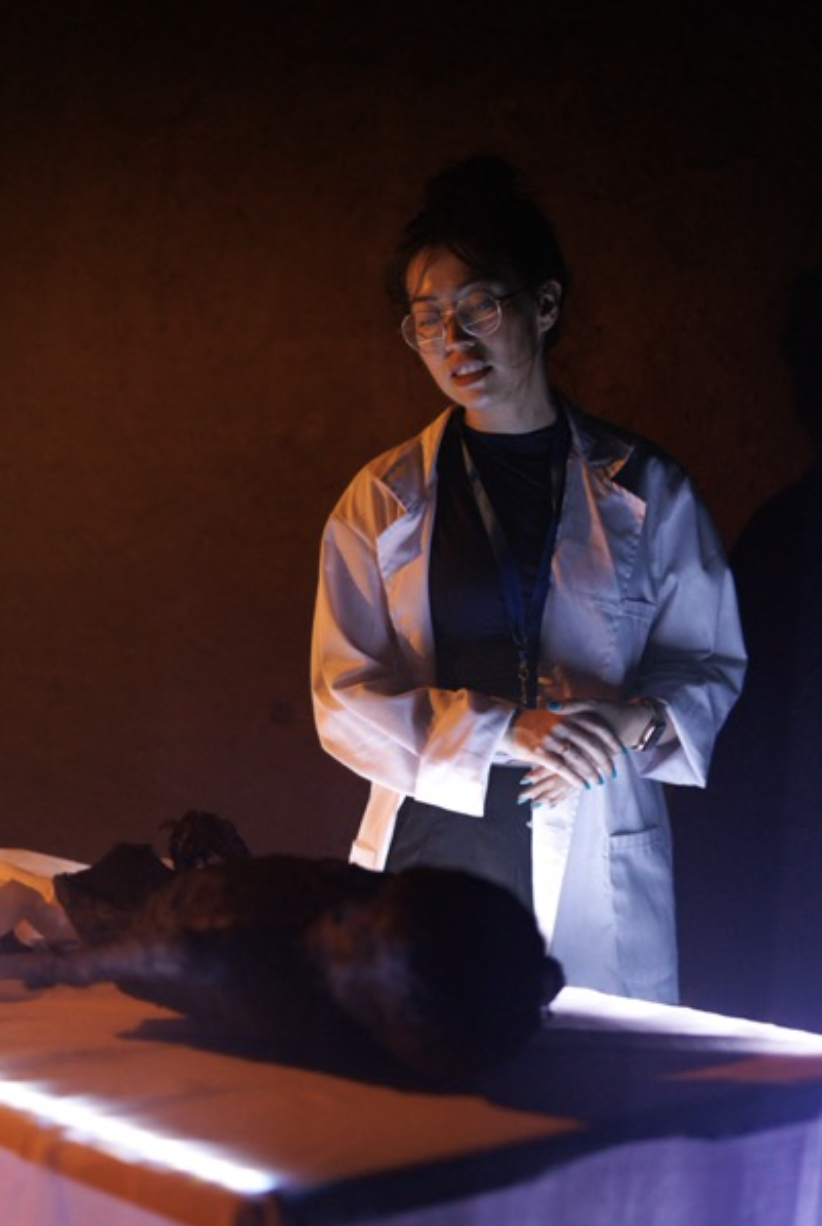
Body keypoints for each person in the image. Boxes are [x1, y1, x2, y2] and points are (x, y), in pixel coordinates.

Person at [311, 156, 746, 1004]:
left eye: (479, 305)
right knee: (414, 1094)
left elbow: (710, 666)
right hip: (430, 856)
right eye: (427, 317)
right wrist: (511, 732)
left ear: (544, 305)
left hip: (590, 851)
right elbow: (341, 699)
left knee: (588, 1098)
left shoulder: (648, 489)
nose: (452, 340)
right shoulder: (384, 500)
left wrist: (630, 721)